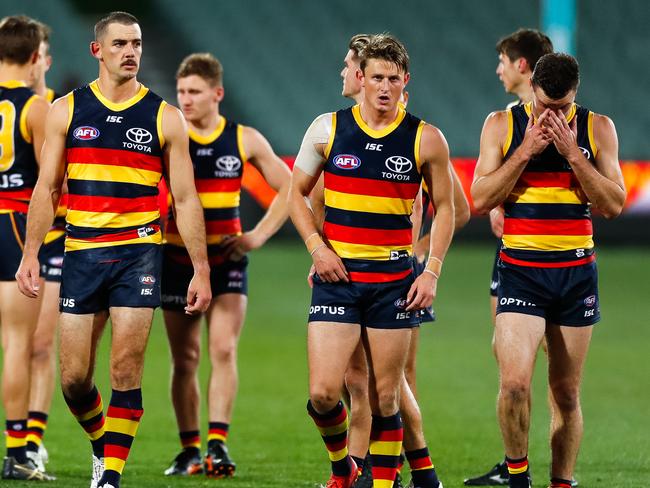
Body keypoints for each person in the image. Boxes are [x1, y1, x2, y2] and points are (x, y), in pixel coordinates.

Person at [15, 11, 211, 488]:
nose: (131, 52)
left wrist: (200, 269)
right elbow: (46, 190)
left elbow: (185, 199)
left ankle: (110, 477)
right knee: (74, 381)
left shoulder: (165, 117)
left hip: (138, 255)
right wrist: (30, 253)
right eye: (120, 43)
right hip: (81, 252)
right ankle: (105, 443)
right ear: (97, 50)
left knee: (125, 367)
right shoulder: (66, 109)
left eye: (137, 43)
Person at [289, 34, 454, 488]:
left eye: (393, 79)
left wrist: (432, 270)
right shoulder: (327, 128)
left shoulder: (426, 138)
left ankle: (384, 481)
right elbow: (295, 195)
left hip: (393, 280)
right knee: (325, 393)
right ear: (362, 78)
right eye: (376, 77)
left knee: (386, 396)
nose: (384, 86)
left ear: (406, 82)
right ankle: (344, 465)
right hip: (338, 276)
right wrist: (317, 248)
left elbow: (447, 209)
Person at [471, 53, 625, 488]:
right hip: (521, 270)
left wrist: (573, 155)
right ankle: (518, 476)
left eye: (563, 108)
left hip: (576, 276)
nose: (553, 116)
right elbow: (480, 199)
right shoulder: (501, 126)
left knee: (567, 393)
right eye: (545, 106)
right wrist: (525, 152)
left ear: (576, 94)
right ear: (532, 88)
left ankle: (562, 481)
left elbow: (613, 205)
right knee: (516, 383)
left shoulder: (598, 128)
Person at [162, 52, 290, 478]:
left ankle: (217, 443)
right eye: (181, 91)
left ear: (217, 93)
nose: (186, 99)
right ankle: (188, 449)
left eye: (194, 92)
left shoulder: (243, 139)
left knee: (223, 348)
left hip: (226, 259)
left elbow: (290, 187)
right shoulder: (167, 135)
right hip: (176, 258)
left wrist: (259, 235)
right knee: (185, 358)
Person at [465, 28, 554, 487]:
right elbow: (484, 188)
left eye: (503, 60)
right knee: (511, 364)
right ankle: (513, 462)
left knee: (552, 371)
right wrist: (498, 203)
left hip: (560, 261)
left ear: (523, 65)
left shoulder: (572, 121)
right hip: (513, 256)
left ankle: (557, 466)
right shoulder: (502, 122)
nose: (498, 69)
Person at [0, 15, 52, 482]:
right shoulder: (35, 108)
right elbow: (50, 184)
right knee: (18, 343)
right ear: (36, 57)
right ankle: (17, 452)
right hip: (13, 226)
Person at [23, 20, 64, 474]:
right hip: (11, 232)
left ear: (45, 62)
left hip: (55, 239)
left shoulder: (57, 111)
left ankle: (31, 440)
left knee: (38, 343)